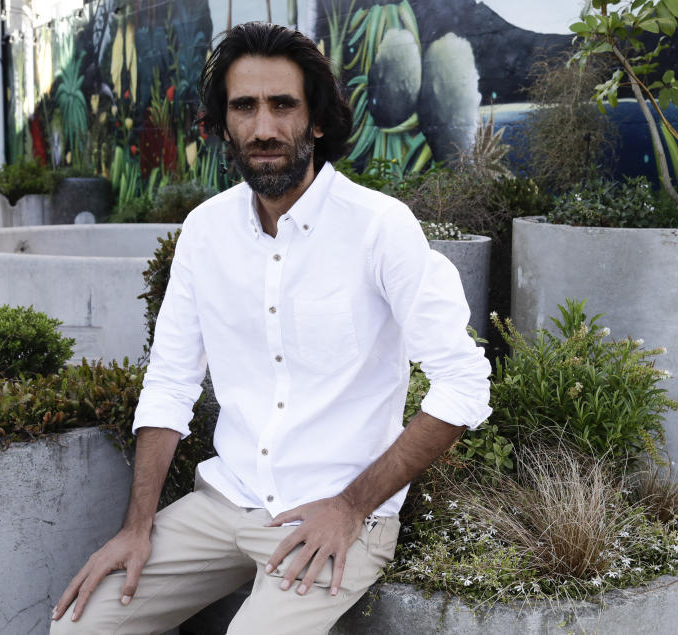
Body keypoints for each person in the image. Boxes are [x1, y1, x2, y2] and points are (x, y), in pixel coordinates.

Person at [50, 22, 491, 634]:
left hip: (336, 514)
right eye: (244, 107)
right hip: (225, 501)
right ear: (224, 124)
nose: (263, 128)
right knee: (81, 625)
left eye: (283, 105)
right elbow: (171, 382)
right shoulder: (204, 232)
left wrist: (351, 506)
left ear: (315, 120)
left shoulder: (379, 228)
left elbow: (464, 384)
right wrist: (137, 527)